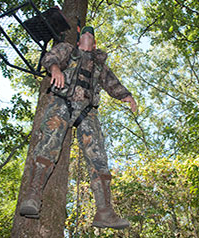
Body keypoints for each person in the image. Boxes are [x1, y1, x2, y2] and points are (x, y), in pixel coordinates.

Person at [19, 26, 137, 230]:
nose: (87, 36)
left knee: (98, 158)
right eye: (84, 33)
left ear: (95, 43)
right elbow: (50, 58)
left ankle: (104, 212)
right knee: (48, 146)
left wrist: (127, 96)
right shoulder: (68, 49)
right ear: (78, 40)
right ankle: (32, 197)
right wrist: (55, 69)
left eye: (91, 35)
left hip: (87, 111)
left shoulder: (100, 65)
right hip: (61, 102)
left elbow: (112, 83)